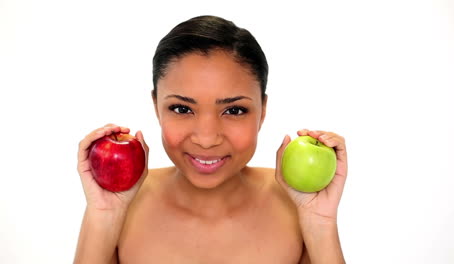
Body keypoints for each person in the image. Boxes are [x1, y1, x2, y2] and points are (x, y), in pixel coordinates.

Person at [74, 15, 348, 264]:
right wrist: (103, 215)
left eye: (234, 110)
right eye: (182, 109)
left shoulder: (298, 206)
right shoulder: (120, 206)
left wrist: (320, 223)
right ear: (156, 105)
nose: (206, 139)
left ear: (262, 111)